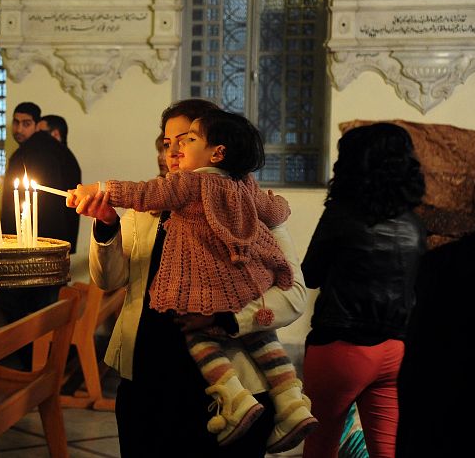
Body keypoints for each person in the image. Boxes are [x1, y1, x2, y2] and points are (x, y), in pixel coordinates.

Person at [69, 98, 308, 457]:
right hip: (149, 374)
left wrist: (224, 319)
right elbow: (110, 280)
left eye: (186, 139)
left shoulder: (249, 205)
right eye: (167, 143)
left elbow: (294, 297)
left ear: (217, 148)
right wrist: (106, 225)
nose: (174, 150)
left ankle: (286, 406)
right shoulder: (151, 203)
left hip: (230, 376)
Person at [301, 122, 426, 458]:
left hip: (342, 350)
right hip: (395, 351)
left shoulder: (341, 215)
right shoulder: (414, 225)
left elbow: (310, 275)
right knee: (387, 452)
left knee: (320, 446)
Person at [396, 217, 475, 458]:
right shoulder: (413, 231)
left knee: (322, 439)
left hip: (343, 344)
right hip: (392, 342)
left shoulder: (451, 266)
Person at [0, 102, 81, 366]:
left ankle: (31, 365)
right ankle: (49, 363)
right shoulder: (63, 153)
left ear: (37, 124)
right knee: (47, 308)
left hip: (27, 248)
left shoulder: (29, 154)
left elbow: (12, 205)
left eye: (26, 123)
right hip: (57, 246)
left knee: (22, 307)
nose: (19, 129)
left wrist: (6, 243)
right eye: (16, 122)